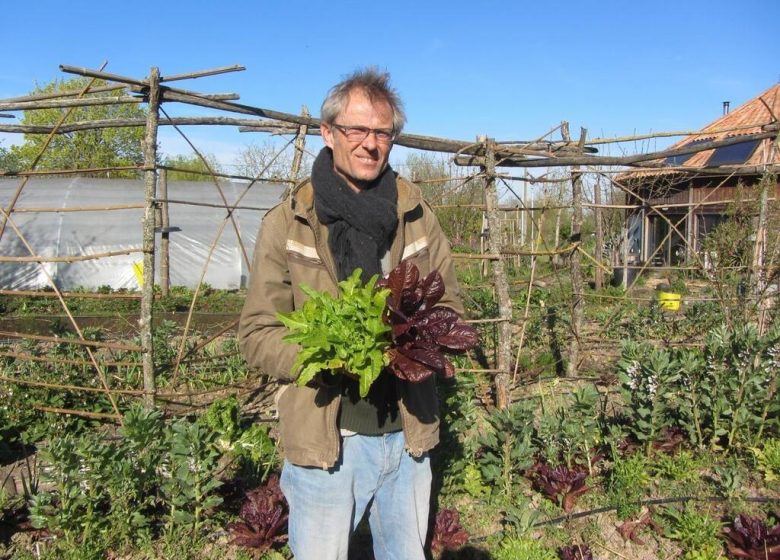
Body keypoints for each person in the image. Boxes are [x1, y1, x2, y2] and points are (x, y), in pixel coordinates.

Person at [238, 68, 464, 560]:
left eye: (382, 132)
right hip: (325, 441)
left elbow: (449, 308)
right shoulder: (290, 221)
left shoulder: (417, 215)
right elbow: (257, 333)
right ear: (328, 132)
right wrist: (325, 354)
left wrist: (415, 343)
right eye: (355, 130)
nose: (369, 144)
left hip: (408, 436)